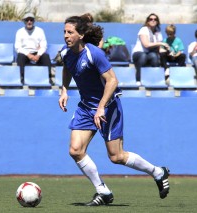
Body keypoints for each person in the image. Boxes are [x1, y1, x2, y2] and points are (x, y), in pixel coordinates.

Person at [58, 15, 170, 206]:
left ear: (81, 35)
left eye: (70, 32)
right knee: (75, 150)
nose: (66, 36)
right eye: (64, 32)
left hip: (108, 107)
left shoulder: (94, 54)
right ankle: (103, 191)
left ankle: (158, 172)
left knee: (116, 157)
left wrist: (101, 107)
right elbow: (67, 69)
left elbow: (112, 81)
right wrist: (64, 89)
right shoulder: (66, 53)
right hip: (86, 108)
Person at [15, 12, 52, 83]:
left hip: (36, 52)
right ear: (24, 21)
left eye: (31, 20)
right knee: (20, 56)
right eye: (27, 20)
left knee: (46, 57)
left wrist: (38, 54)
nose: (29, 22)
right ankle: (22, 77)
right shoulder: (19, 32)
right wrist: (28, 55)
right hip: (25, 53)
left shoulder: (40, 31)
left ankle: (48, 77)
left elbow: (44, 45)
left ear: (34, 21)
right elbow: (18, 47)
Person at [132, 13, 169, 84]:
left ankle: (154, 80)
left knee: (154, 56)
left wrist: (167, 50)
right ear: (147, 21)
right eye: (151, 19)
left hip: (150, 54)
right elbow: (146, 45)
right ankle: (138, 80)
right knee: (143, 56)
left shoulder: (158, 33)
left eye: (155, 19)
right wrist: (161, 43)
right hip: (138, 53)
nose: (153, 21)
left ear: (157, 22)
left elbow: (158, 49)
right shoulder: (144, 30)